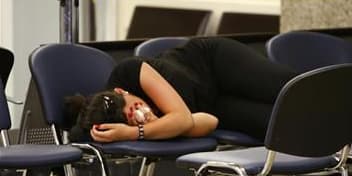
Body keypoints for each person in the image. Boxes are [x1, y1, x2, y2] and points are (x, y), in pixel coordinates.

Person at [66, 37, 297, 142]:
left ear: (122, 91)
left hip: (212, 64)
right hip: (214, 105)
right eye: (134, 121)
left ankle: (333, 101)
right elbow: (206, 121)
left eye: (137, 107)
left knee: (288, 88)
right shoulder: (151, 130)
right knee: (276, 124)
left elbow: (181, 118)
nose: (143, 115)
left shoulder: (129, 72)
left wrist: (135, 132)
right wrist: (145, 130)